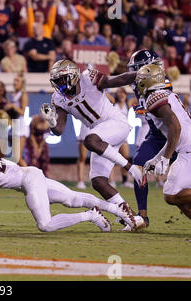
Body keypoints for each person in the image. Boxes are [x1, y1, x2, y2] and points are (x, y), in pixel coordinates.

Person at [0, 139, 136, 233]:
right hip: (30, 173)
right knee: (72, 198)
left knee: (46, 225)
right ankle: (118, 210)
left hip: (27, 181)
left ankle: (90, 215)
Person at [40, 59, 145, 230]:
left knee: (89, 140)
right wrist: (51, 121)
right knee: (98, 181)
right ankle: (131, 217)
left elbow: (116, 80)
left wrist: (141, 73)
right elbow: (59, 130)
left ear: (73, 75)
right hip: (100, 136)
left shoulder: (88, 77)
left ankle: (131, 168)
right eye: (56, 80)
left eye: (62, 79)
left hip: (115, 124)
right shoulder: (58, 98)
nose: (59, 84)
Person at [126, 49, 175, 230]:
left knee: (178, 189)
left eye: (136, 68)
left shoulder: (161, 83)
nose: (134, 72)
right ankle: (142, 216)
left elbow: (168, 117)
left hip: (173, 136)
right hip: (155, 136)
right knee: (138, 165)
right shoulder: (139, 84)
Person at [137, 64, 191, 219]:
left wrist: (166, 159)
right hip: (186, 148)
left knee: (171, 195)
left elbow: (176, 127)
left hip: (187, 149)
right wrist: (157, 158)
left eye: (141, 79)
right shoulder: (166, 93)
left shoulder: (154, 98)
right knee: (178, 198)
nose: (138, 83)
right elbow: (173, 134)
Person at [108, 88, 136, 188]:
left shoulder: (127, 105)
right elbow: (107, 96)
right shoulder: (113, 104)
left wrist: (134, 87)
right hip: (112, 135)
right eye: (119, 92)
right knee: (111, 159)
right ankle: (111, 181)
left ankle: (124, 181)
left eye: (123, 92)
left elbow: (136, 98)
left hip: (123, 136)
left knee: (125, 158)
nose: (121, 94)